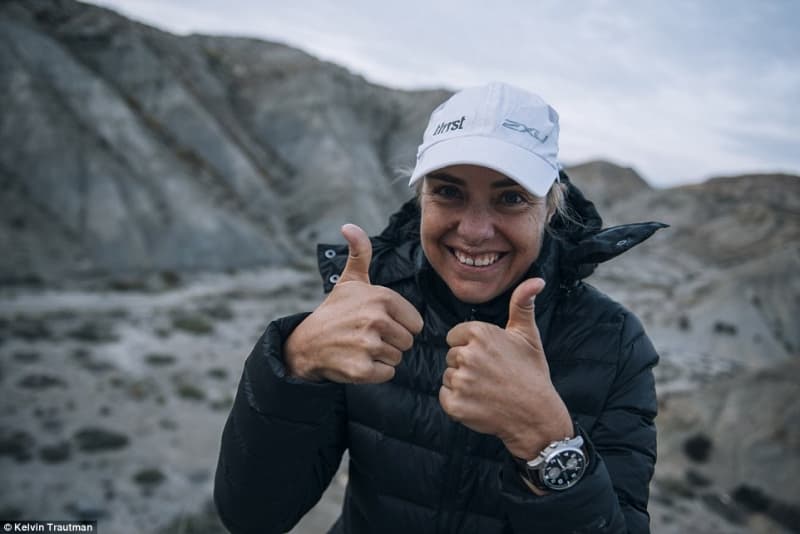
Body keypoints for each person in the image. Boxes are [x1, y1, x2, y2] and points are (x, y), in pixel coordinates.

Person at [214, 82, 665, 533]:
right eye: (449, 191)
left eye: (511, 198)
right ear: (421, 198)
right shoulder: (369, 308)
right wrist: (294, 363)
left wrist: (546, 439)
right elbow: (253, 516)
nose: (474, 230)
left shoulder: (613, 342)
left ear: (549, 208)